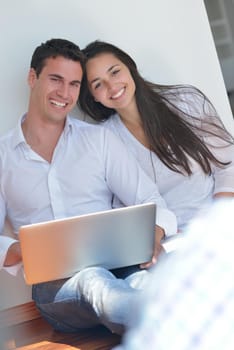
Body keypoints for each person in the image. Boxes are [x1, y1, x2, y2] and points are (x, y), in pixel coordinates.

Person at [0, 38, 177, 335]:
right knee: (94, 281)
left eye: (74, 84)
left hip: (122, 266)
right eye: (55, 79)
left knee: (145, 282)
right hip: (56, 288)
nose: (64, 93)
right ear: (33, 78)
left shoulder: (99, 141)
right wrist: (22, 250)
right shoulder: (3, 157)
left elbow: (151, 200)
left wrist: (154, 236)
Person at [78, 41, 234, 232]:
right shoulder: (104, 138)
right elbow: (123, 208)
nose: (112, 86)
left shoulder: (186, 101)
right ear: (93, 96)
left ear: (130, 67)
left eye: (115, 72)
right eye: (98, 84)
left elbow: (228, 166)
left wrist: (218, 220)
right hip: (169, 242)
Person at [112, 198, 234, 350]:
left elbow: (161, 210)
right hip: (162, 256)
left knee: (95, 283)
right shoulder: (218, 228)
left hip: (171, 254)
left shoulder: (220, 230)